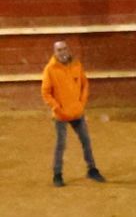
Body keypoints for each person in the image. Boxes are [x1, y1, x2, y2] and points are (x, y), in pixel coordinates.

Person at [40, 40, 105, 188]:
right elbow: (45, 93)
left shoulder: (77, 65)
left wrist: (81, 104)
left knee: (86, 141)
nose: (62, 52)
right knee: (60, 145)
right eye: (59, 50)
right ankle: (57, 174)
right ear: (54, 52)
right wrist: (57, 108)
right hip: (61, 114)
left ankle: (92, 169)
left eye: (64, 49)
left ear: (68, 50)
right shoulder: (50, 69)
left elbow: (84, 85)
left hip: (77, 112)